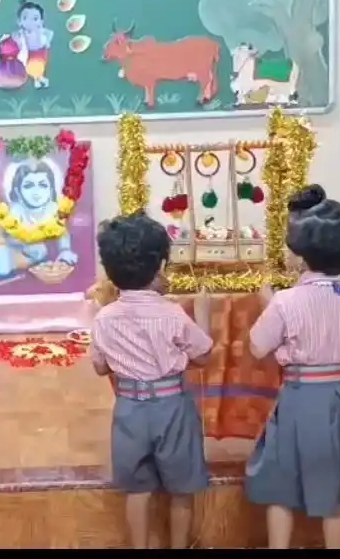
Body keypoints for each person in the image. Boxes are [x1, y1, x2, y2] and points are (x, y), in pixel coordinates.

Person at [245, 184, 340, 549]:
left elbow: (258, 346)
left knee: (280, 482)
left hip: (299, 398)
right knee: (336, 486)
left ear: (301, 253)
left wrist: (268, 302)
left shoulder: (285, 301)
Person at [88, 214, 213, 549]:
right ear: (160, 265)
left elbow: (101, 368)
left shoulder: (103, 318)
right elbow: (203, 356)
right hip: (173, 406)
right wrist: (202, 315)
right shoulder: (172, 313)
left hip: (129, 409)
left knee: (138, 489)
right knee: (182, 489)